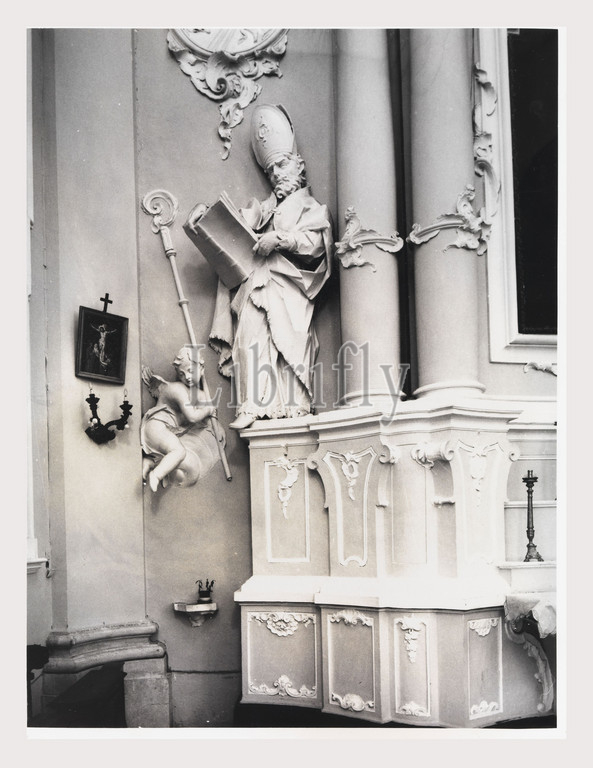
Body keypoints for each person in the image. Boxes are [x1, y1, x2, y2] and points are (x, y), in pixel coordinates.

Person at [189, 104, 333, 430]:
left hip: (289, 290)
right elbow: (232, 225)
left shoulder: (311, 208)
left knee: (288, 343)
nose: (277, 174)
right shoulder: (263, 209)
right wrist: (204, 216)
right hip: (256, 285)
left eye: (282, 165)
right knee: (249, 338)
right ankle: (253, 405)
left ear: (298, 165)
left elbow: (316, 244)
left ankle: (295, 406)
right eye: (271, 170)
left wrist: (279, 240)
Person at [140, 346, 219, 491]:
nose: (187, 377)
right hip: (157, 427)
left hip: (163, 429)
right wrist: (208, 409)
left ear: (201, 369)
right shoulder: (177, 389)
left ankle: (149, 463)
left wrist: (210, 409)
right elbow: (192, 417)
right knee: (179, 452)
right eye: (182, 374)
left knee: (171, 453)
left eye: (191, 371)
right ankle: (156, 475)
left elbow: (204, 402)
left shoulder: (194, 392)